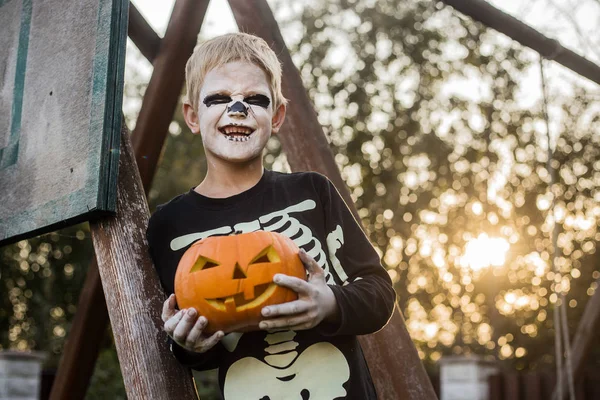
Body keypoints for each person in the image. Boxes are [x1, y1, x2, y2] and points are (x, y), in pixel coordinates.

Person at [145, 32, 395, 400]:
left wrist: (329, 303)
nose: (237, 110)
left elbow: (380, 293)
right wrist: (189, 345)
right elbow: (196, 351)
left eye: (254, 100)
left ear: (276, 116)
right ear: (193, 116)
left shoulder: (312, 193)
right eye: (219, 99)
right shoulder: (170, 226)